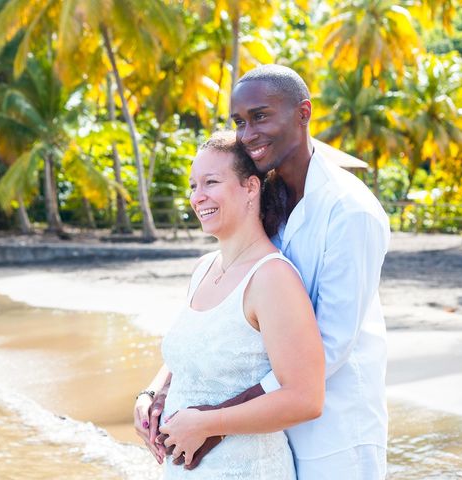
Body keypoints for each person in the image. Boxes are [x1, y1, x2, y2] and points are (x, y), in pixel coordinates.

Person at [134, 65, 391, 479]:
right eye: (239, 121)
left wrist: (213, 423)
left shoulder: (350, 212)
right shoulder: (272, 195)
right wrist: (163, 390)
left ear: (303, 113)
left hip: (338, 429)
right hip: (268, 429)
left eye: (260, 116)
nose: (248, 132)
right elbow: (222, 332)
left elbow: (330, 348)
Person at [136, 130, 325, 479]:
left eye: (211, 182)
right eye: (193, 185)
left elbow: (306, 398)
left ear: (251, 187)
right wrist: (151, 394)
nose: (198, 197)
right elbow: (189, 355)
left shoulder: (272, 277)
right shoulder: (203, 269)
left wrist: (208, 424)